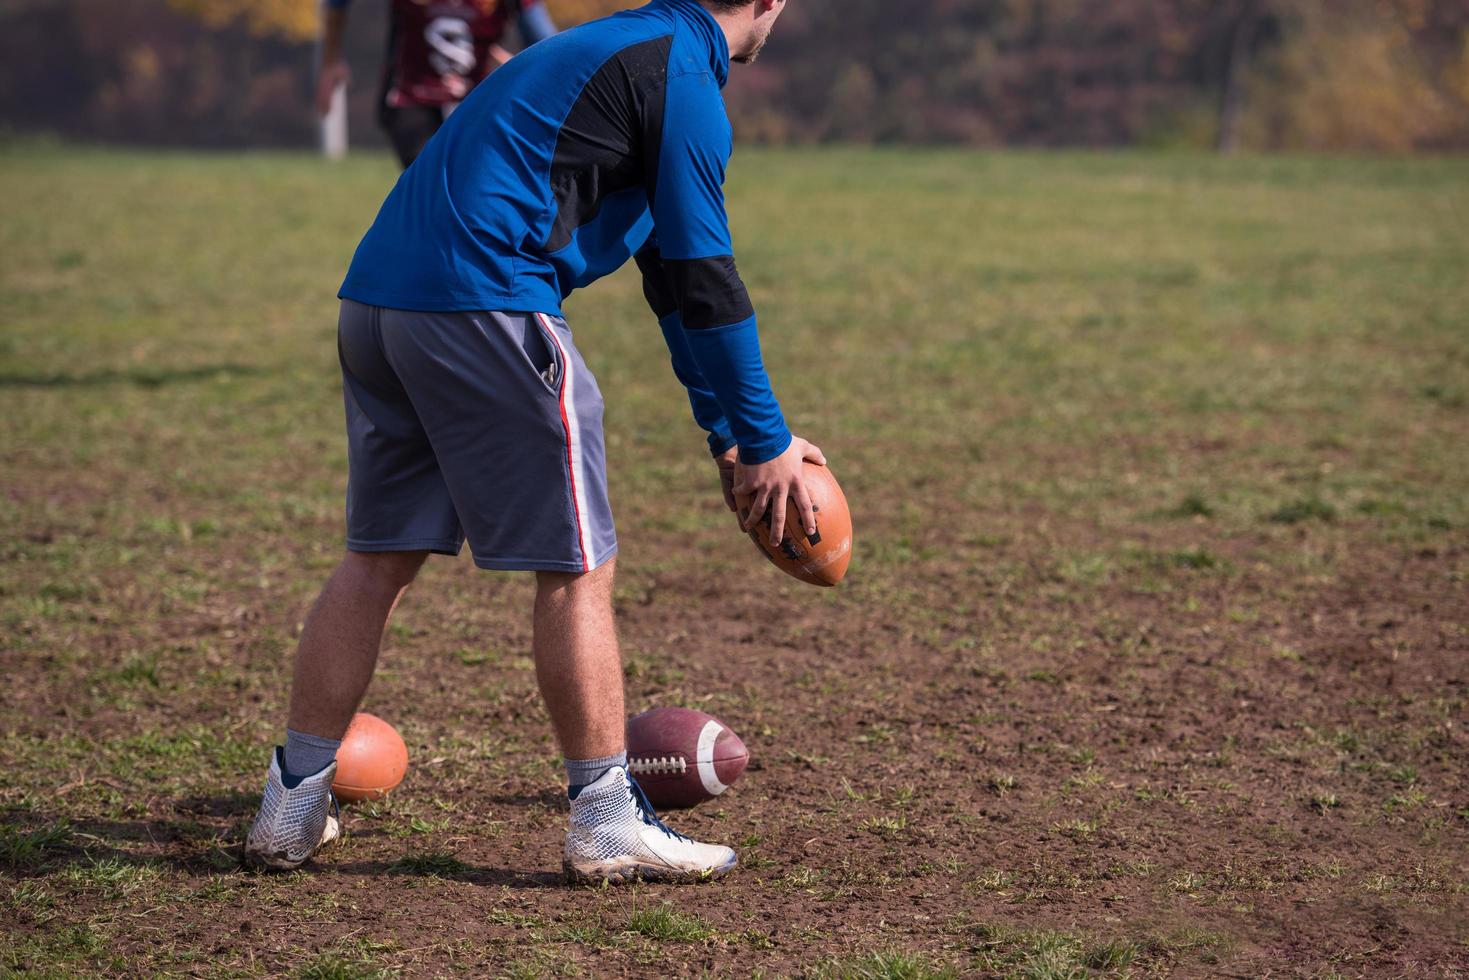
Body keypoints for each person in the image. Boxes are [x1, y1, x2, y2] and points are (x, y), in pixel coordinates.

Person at [245, 0, 824, 885]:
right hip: (486, 303)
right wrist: (771, 440)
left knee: (377, 560)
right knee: (579, 567)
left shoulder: (611, 47)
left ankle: (289, 811)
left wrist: (731, 440)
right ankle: (603, 820)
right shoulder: (682, 76)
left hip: (375, 304)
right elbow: (709, 276)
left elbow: (670, 278)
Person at [316, 0, 561, 168]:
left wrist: (529, 67)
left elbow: (544, 41)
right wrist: (331, 60)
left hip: (475, 98)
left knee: (480, 184)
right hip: (409, 96)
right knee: (435, 185)